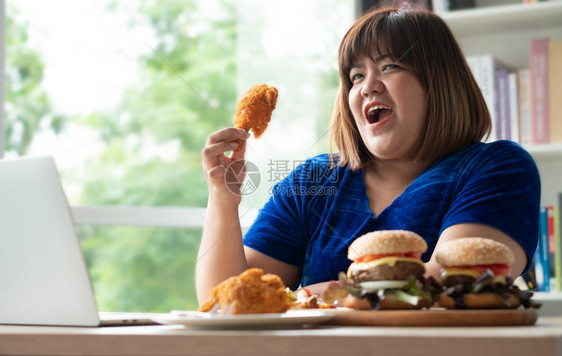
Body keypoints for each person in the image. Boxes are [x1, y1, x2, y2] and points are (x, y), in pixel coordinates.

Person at [196, 6, 541, 302]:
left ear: (438, 82)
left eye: (390, 67)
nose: (367, 86)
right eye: (356, 75)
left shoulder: (496, 168)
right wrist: (222, 200)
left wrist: (304, 297)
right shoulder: (314, 181)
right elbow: (229, 299)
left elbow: (443, 285)